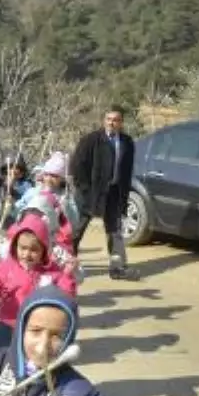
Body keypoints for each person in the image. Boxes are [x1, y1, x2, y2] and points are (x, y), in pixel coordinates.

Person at [0, 217, 78, 335]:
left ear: (44, 250)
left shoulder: (52, 272)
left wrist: (68, 274)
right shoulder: (4, 268)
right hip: (8, 326)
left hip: (38, 328)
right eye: (23, 248)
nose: (27, 254)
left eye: (34, 250)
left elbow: (66, 297)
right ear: (15, 246)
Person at [70, 105, 136, 280]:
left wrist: (124, 194)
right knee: (77, 230)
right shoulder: (90, 140)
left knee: (115, 231)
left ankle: (117, 267)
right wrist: (84, 189)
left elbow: (127, 171)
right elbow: (77, 166)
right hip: (90, 193)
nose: (112, 123)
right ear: (104, 120)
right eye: (109, 119)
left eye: (116, 120)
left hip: (114, 192)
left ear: (121, 123)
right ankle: (67, 266)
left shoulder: (127, 142)